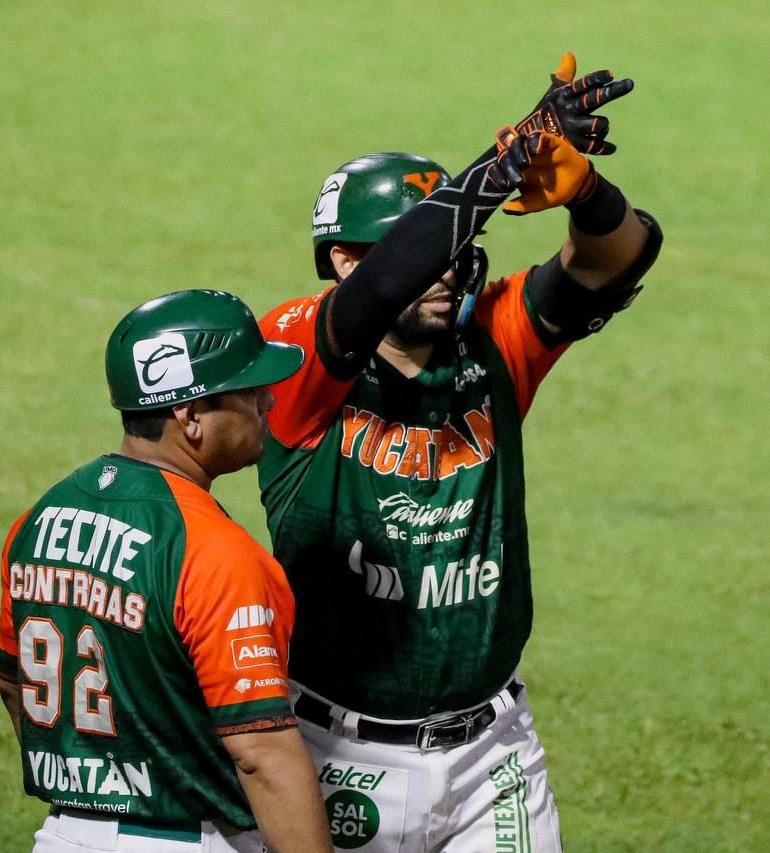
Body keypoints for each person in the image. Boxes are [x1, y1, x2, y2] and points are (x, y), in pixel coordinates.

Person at [255, 54, 664, 850]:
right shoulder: (294, 354)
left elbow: (620, 256)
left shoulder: (494, 338)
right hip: (335, 755)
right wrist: (496, 170)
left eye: (451, 243)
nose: (445, 267)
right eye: (420, 245)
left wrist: (584, 191)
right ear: (344, 259)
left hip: (492, 755)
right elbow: (377, 294)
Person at [0, 289, 334, 852]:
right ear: (190, 414)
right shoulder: (215, 553)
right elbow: (261, 754)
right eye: (249, 391)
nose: (268, 405)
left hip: (63, 837)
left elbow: (13, 681)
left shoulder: (38, 520)